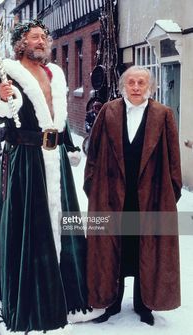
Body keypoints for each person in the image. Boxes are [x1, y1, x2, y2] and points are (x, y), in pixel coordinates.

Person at [0, 19, 103, 334]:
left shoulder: (54, 74)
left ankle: (69, 297)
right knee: (26, 227)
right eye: (34, 36)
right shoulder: (7, 72)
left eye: (44, 36)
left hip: (55, 160)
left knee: (63, 227)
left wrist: (69, 145)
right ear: (20, 43)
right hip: (24, 161)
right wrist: (1, 96)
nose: (41, 40)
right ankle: (24, 301)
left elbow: (59, 118)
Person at [84, 66, 182, 326]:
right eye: (131, 82)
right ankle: (110, 301)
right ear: (123, 86)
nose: (136, 87)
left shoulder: (163, 114)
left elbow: (173, 159)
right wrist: (92, 186)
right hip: (111, 195)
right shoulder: (109, 111)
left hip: (150, 196)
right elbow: (92, 153)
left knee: (146, 248)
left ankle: (144, 304)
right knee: (111, 248)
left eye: (141, 82)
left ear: (150, 87)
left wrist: (170, 192)